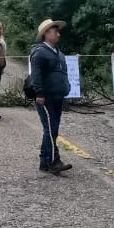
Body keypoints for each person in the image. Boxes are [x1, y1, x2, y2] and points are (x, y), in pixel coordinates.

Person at [30, 19, 72, 175]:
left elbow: (63, 73)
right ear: (46, 34)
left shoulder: (59, 53)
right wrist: (39, 93)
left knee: (52, 129)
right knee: (50, 129)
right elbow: (36, 74)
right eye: (55, 31)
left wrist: (66, 87)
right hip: (46, 97)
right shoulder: (39, 52)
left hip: (57, 95)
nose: (58, 34)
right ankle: (54, 161)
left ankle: (44, 160)